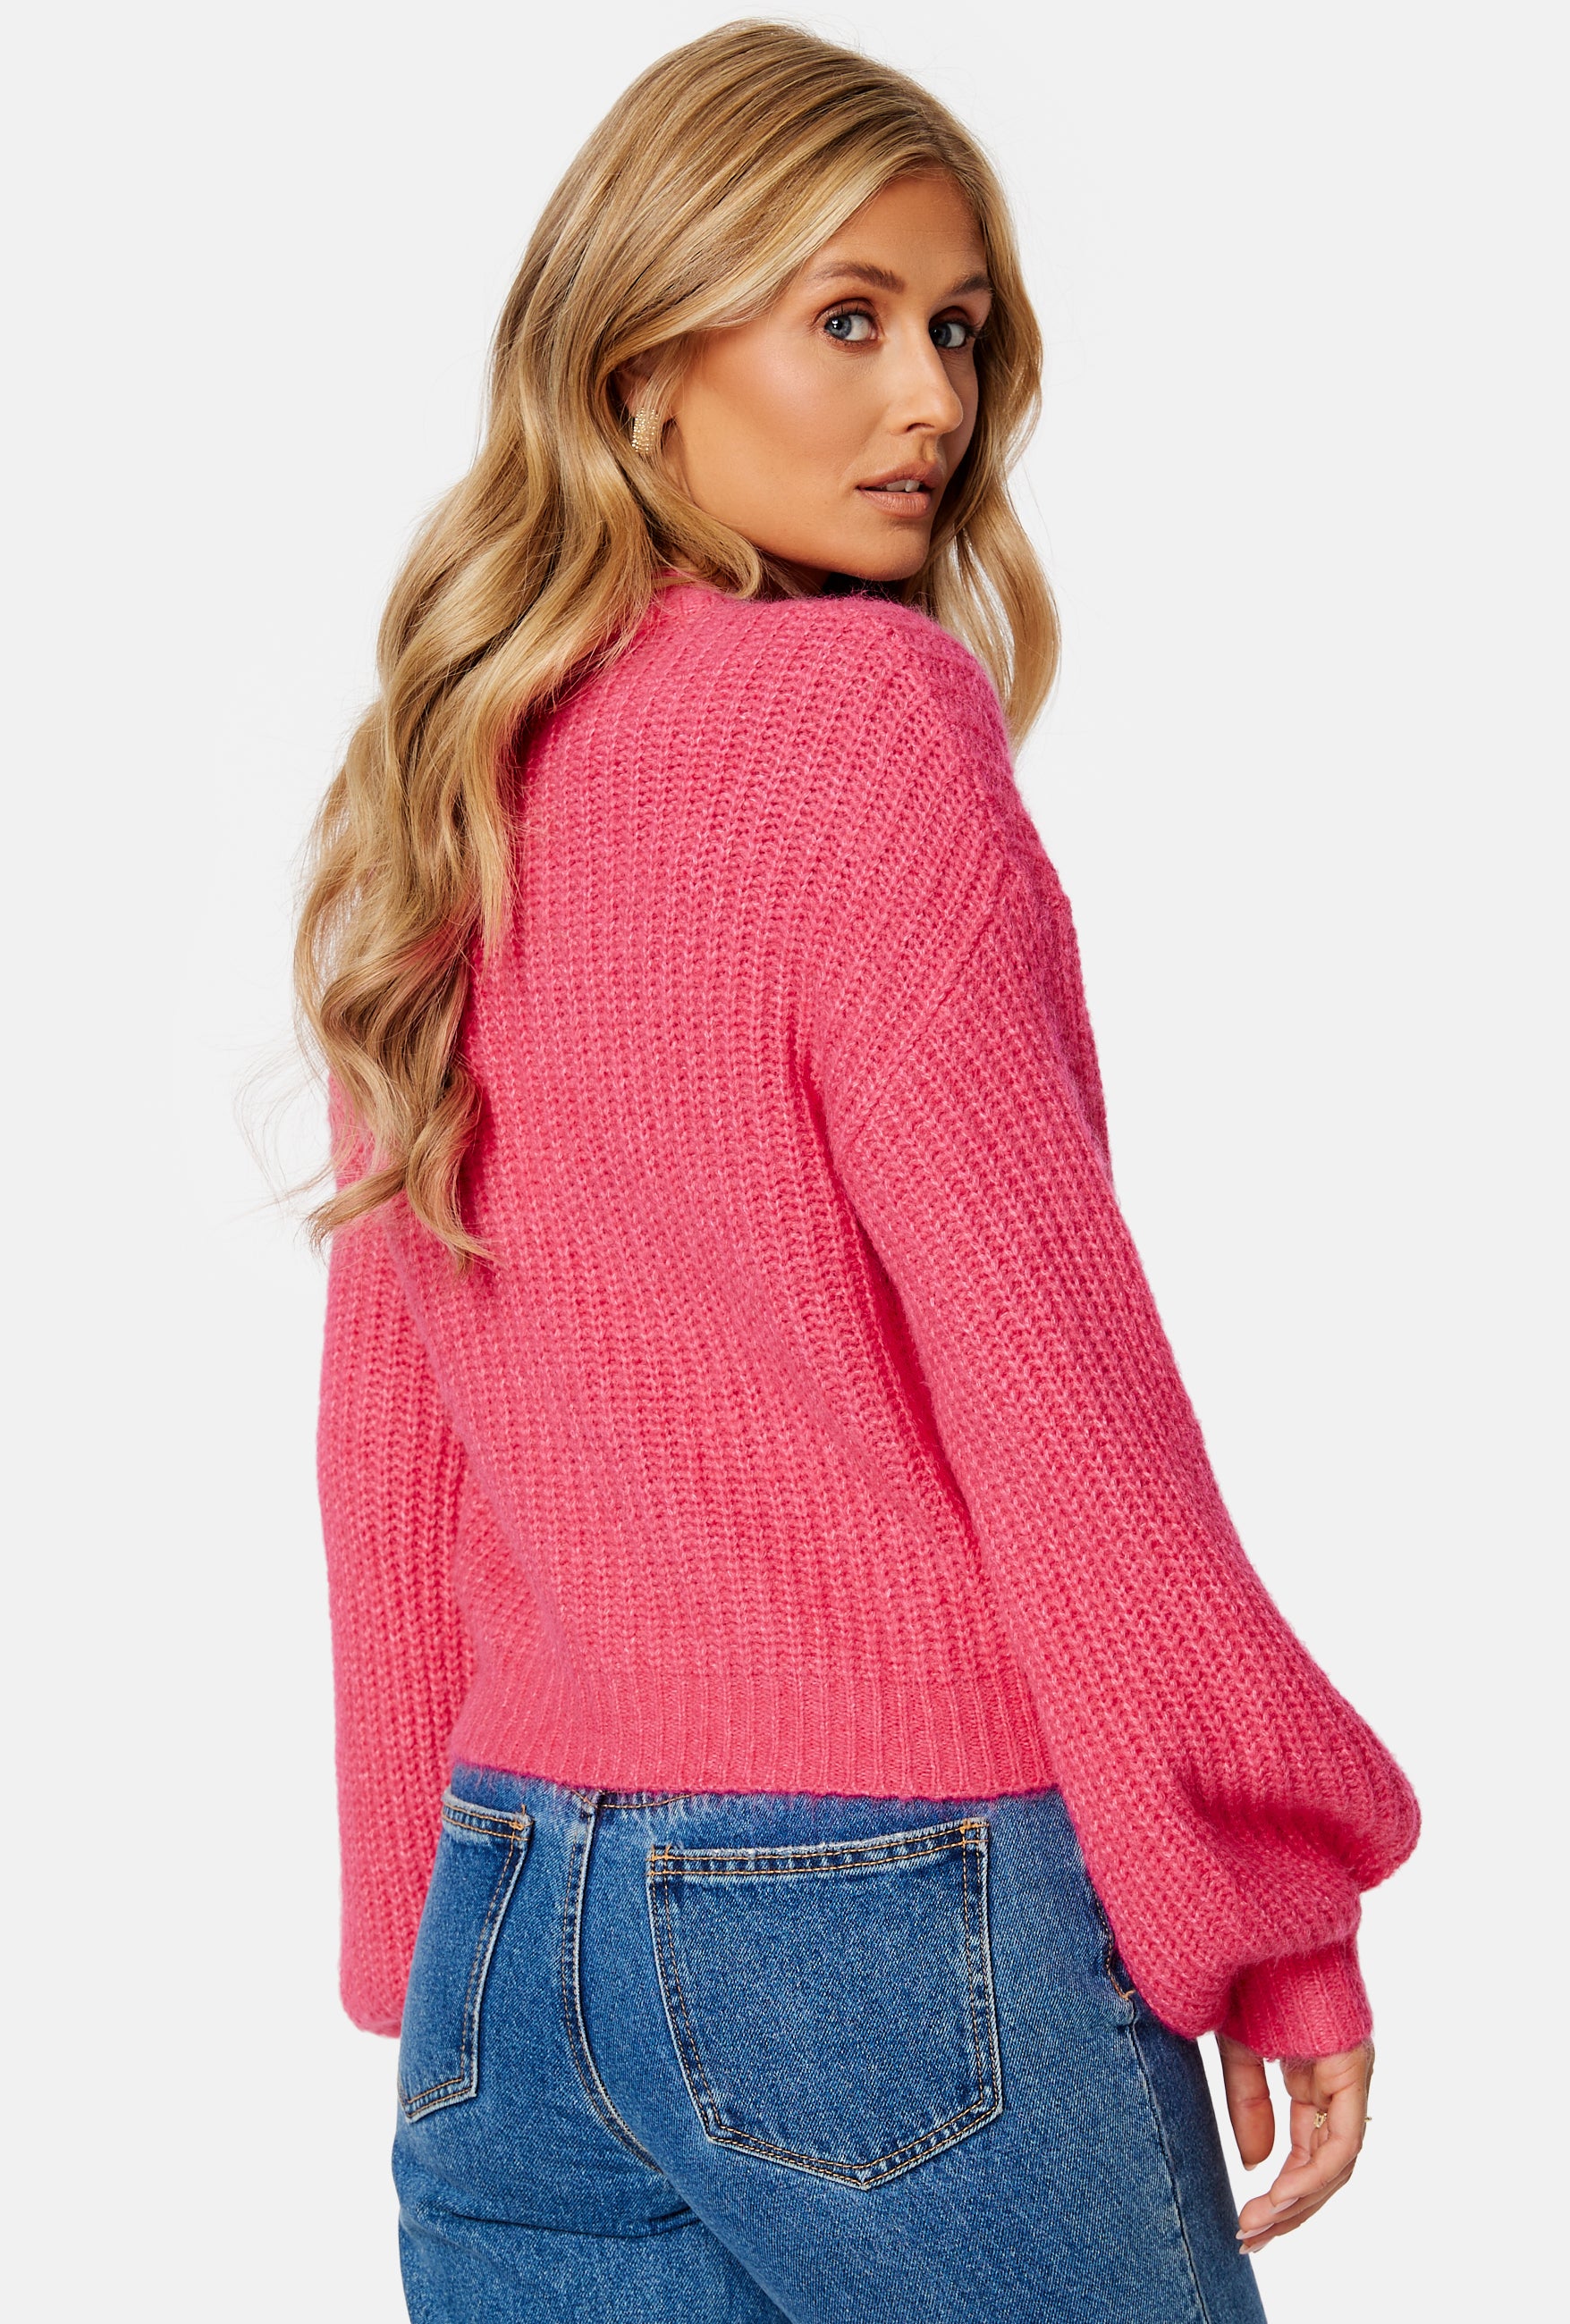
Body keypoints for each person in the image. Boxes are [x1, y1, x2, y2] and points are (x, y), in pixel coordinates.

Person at [296, 21, 1419, 2320]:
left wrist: (422, 1916)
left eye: (960, 330)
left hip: (509, 1929)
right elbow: (1052, 1380)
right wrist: (1266, 1896)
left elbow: (389, 1426)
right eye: (849, 317)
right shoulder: (865, 726)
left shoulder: (452, 766)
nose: (931, 400)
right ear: (640, 362)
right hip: (888, 1912)